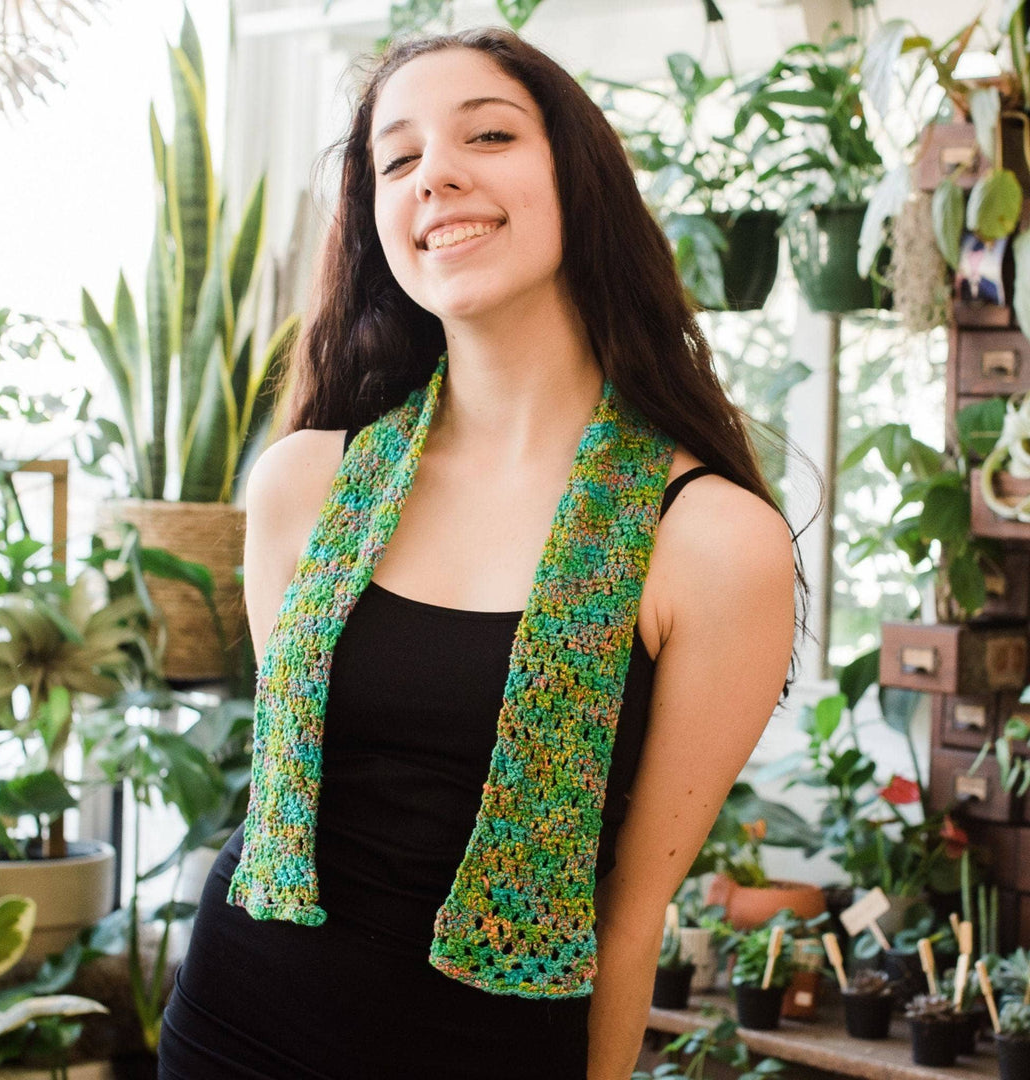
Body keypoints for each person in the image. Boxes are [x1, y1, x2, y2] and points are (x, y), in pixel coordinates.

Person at [158, 26, 803, 1080]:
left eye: (488, 135)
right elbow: (290, 796)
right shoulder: (302, 486)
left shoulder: (712, 541)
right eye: (398, 159)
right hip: (234, 1030)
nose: (437, 175)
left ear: (579, 181)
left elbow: (629, 922)